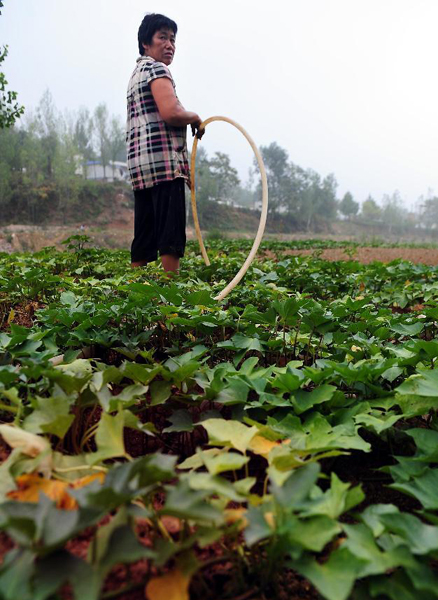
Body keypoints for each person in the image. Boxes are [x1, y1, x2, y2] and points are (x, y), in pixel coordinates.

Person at [126, 13, 204, 272]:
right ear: (146, 43)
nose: (169, 44)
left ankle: (136, 294)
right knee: (170, 234)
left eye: (172, 39)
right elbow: (170, 113)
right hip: (164, 166)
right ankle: (170, 296)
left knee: (145, 233)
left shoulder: (136, 74)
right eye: (162, 38)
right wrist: (193, 117)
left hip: (141, 169)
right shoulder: (158, 69)